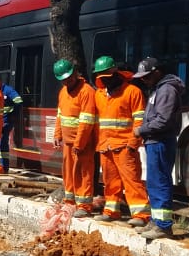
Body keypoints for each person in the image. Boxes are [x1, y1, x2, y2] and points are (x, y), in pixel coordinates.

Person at [92, 56, 150, 226]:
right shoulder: (99, 95)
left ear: (116, 74)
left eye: (107, 76)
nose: (104, 80)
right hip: (106, 145)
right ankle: (111, 211)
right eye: (101, 77)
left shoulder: (132, 92)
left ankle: (141, 215)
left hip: (125, 146)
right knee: (110, 182)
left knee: (132, 181)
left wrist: (133, 143)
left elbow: (140, 121)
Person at [133, 57, 184, 240]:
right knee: (154, 182)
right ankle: (156, 221)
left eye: (146, 77)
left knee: (160, 182)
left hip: (161, 142)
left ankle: (163, 226)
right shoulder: (158, 89)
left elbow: (163, 120)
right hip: (154, 142)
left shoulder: (167, 90)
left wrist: (141, 129)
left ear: (157, 72)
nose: (144, 81)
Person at [51, 59, 98, 217]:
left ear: (75, 73)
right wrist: (57, 134)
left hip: (83, 143)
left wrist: (80, 143)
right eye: (64, 79)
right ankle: (70, 202)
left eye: (69, 77)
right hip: (68, 143)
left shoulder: (87, 92)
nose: (67, 81)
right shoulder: (63, 92)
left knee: (84, 173)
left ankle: (84, 205)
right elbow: (60, 115)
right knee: (69, 173)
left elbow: (87, 121)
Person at [0, 74, 23, 173]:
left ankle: (4, 167)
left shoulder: (8, 90)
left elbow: (18, 101)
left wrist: (13, 115)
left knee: (2, 143)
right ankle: (0, 166)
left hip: (6, 122)